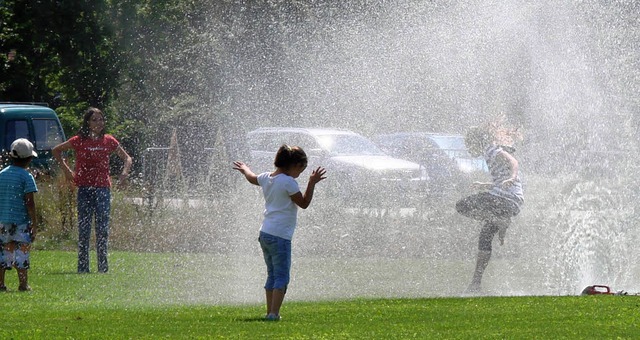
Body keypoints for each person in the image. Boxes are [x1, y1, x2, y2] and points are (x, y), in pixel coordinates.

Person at [233, 145, 326, 321]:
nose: (300, 174)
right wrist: (312, 182)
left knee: (272, 274)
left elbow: (252, 178)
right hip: (280, 236)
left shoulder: (267, 178)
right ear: (294, 165)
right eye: (301, 169)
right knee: (282, 276)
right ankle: (274, 314)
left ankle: (270, 312)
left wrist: (245, 168)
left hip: (265, 233)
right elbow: (304, 203)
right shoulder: (288, 182)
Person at [52, 107, 132, 274]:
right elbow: (56, 150)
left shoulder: (108, 140)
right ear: (87, 122)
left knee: (102, 229)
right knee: (84, 229)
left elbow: (127, 158)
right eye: (94, 120)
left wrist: (124, 173)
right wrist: (67, 171)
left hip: (103, 188)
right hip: (84, 189)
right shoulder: (79, 140)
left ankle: (103, 268)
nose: (98, 123)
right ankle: (83, 268)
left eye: (101, 119)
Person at [455, 123, 524, 294]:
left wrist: (513, 177)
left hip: (504, 200)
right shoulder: (490, 152)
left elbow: (513, 162)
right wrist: (486, 185)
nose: (468, 149)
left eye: (468, 145)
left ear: (476, 142)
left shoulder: (491, 150)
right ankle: (476, 283)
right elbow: (503, 178)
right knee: (485, 237)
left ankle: (499, 220)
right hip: (508, 202)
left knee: (462, 205)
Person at [0, 139, 38, 291]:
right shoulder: (26, 177)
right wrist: (34, 223)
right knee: (22, 252)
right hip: (21, 222)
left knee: (3, 251)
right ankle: (23, 284)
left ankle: (1, 284)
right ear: (29, 159)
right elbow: (30, 202)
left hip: (3, 222)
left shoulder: (1, 175)